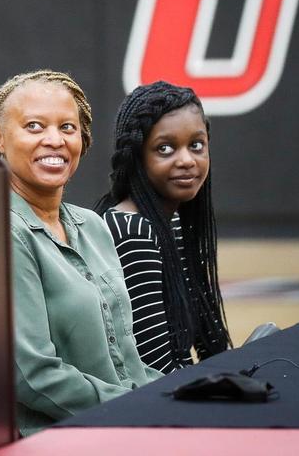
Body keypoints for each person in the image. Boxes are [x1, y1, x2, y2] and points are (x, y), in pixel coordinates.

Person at [0, 70, 162, 436]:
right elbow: (32, 375)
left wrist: (173, 393)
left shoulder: (92, 225)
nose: (54, 140)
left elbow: (127, 360)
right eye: (33, 126)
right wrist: (139, 408)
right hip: (61, 440)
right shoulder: (0, 232)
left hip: (127, 425)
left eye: (67, 127)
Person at [93, 81, 232, 374]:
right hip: (147, 407)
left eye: (196, 145)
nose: (186, 160)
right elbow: (154, 369)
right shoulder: (132, 230)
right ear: (137, 157)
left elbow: (207, 340)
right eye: (165, 148)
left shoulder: (174, 222)